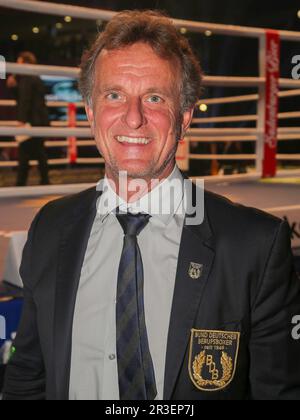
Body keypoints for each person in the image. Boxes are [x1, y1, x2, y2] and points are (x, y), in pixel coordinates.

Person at [3, 11, 300, 400]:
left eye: (155, 98)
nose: (133, 117)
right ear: (91, 114)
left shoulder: (255, 245)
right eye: (114, 95)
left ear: (185, 117)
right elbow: (27, 375)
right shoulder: (50, 228)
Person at [6, 52, 49, 186]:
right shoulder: (35, 77)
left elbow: (25, 100)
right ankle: (44, 181)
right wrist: (13, 88)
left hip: (31, 122)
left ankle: (21, 183)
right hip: (39, 121)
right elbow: (24, 98)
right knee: (39, 152)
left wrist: (21, 120)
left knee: (25, 153)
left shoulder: (27, 78)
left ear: (24, 63)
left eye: (19, 62)